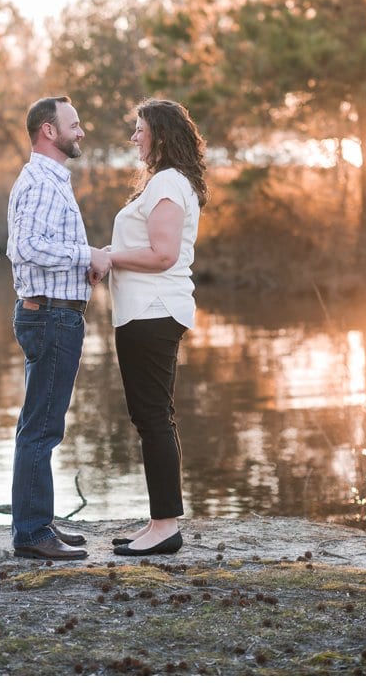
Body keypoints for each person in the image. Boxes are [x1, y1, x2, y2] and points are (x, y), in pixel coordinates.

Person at [6, 95, 111, 561]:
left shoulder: (48, 180)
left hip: (53, 313)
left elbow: (46, 246)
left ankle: (39, 520)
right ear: (49, 131)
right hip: (50, 316)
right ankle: (31, 532)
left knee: (43, 424)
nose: (81, 130)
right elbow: (25, 246)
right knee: (41, 428)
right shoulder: (42, 181)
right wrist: (87, 256)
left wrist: (80, 267)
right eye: (74, 123)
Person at [101, 98, 206, 558]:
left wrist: (107, 257)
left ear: (159, 134)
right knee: (150, 417)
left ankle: (165, 526)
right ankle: (157, 522)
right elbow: (150, 246)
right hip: (146, 312)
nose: (133, 137)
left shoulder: (166, 182)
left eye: (139, 129)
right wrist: (110, 255)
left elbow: (162, 254)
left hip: (154, 312)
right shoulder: (166, 182)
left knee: (154, 418)